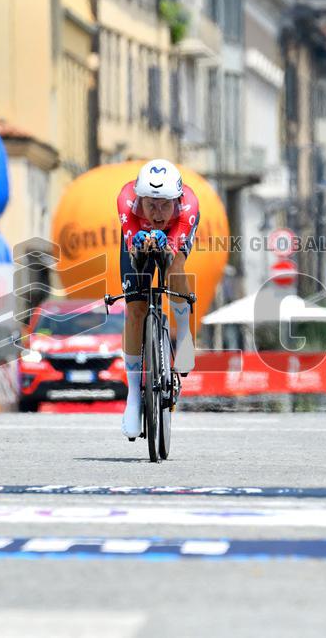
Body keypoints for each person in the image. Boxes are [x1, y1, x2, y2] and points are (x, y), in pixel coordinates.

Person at [118, 159, 200, 440]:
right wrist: (139, 246)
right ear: (139, 199)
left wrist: (167, 246)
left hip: (175, 234)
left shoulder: (188, 204)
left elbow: (172, 250)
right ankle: (133, 396)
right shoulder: (126, 200)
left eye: (165, 205)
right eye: (151, 205)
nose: (157, 213)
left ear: (177, 201)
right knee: (135, 308)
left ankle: (184, 336)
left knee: (175, 266)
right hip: (137, 236)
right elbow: (134, 254)